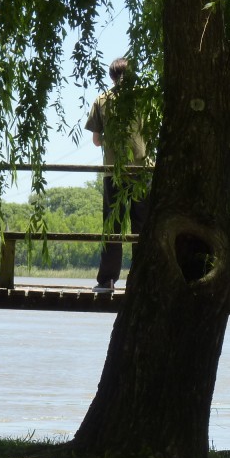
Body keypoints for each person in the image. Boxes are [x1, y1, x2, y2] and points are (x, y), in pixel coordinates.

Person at [84, 57, 150, 294]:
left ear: (111, 76)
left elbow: (95, 140)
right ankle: (143, 279)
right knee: (143, 227)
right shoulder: (144, 98)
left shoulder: (102, 99)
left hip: (115, 170)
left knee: (113, 225)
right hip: (143, 170)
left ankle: (108, 280)